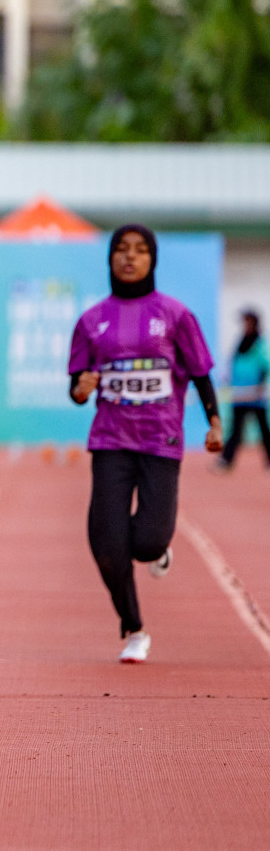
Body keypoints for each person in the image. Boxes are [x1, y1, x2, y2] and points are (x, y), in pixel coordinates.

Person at [68, 224, 222, 664]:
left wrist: (214, 423)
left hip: (160, 440)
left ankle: (159, 550)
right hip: (110, 441)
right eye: (121, 249)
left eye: (139, 250)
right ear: (110, 259)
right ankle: (134, 629)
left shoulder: (174, 315)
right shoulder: (92, 321)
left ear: (152, 259)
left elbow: (199, 373)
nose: (130, 257)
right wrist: (82, 388)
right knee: (107, 546)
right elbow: (76, 389)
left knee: (146, 544)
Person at [216, 308, 270, 471]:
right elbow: (232, 365)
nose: (245, 325)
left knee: (263, 430)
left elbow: (265, 365)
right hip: (239, 395)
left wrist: (260, 385)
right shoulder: (240, 342)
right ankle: (227, 459)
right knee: (236, 430)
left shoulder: (260, 344)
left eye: (247, 321)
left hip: (255, 396)